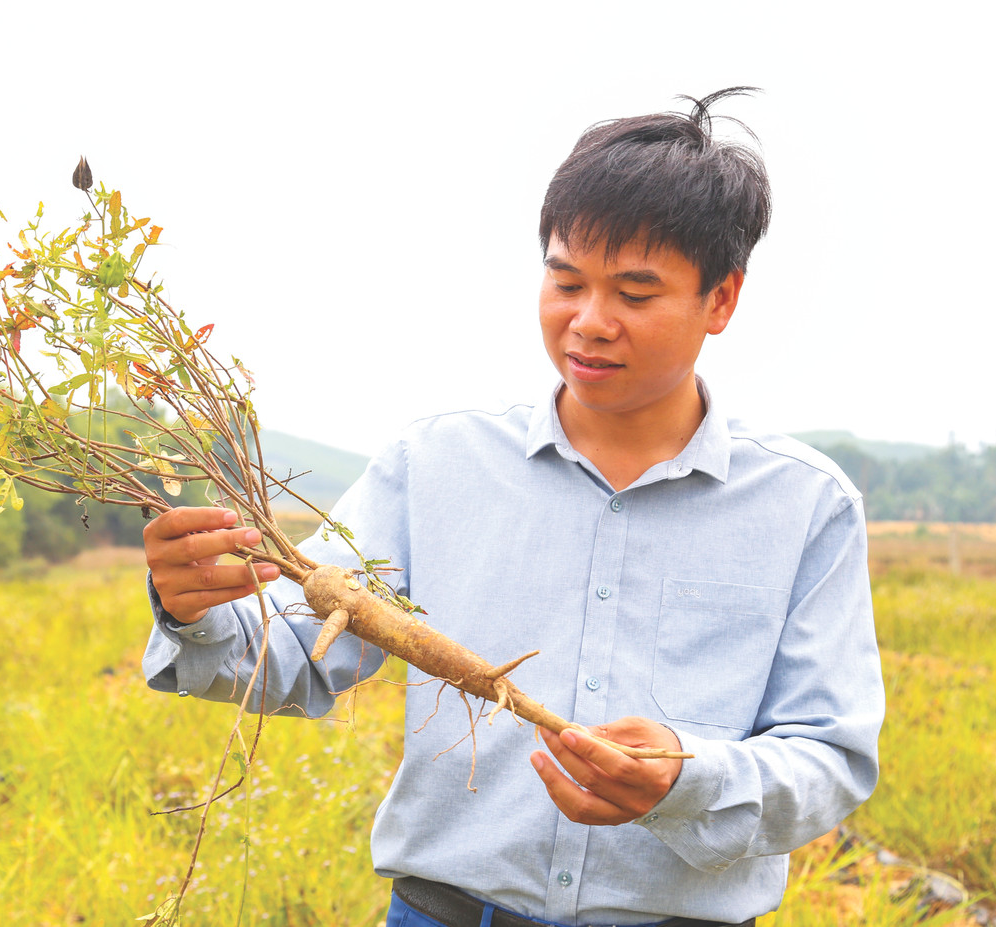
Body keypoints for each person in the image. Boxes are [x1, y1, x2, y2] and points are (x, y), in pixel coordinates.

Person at [142, 87, 884, 927]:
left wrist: (689, 776)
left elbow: (830, 756)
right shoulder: (437, 464)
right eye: (566, 281)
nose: (589, 322)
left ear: (721, 298)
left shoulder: (804, 505)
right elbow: (295, 655)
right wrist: (191, 609)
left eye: (635, 295)